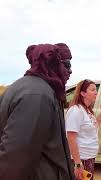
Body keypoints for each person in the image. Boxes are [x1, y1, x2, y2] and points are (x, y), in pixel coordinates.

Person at [0, 43, 75, 179]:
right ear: (51, 64)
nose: (70, 71)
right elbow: (16, 158)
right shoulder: (37, 95)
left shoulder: (34, 88)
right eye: (67, 64)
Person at [66, 79, 101, 180]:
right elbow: (71, 137)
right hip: (82, 158)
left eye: (96, 90)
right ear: (83, 93)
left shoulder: (87, 110)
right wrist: (78, 164)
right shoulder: (76, 110)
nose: (96, 92)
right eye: (92, 89)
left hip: (89, 157)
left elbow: (93, 127)